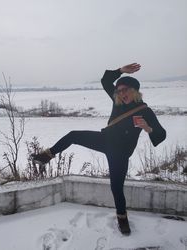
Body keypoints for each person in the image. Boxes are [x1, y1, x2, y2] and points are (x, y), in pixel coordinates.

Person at [31, 63, 166, 235]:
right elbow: (105, 81)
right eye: (119, 90)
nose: (122, 93)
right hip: (105, 140)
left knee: (116, 188)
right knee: (73, 135)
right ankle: (46, 156)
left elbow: (161, 134)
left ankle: (122, 219)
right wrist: (120, 71)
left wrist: (148, 128)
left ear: (135, 91)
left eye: (126, 90)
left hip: (120, 153)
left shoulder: (145, 111)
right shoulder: (117, 103)